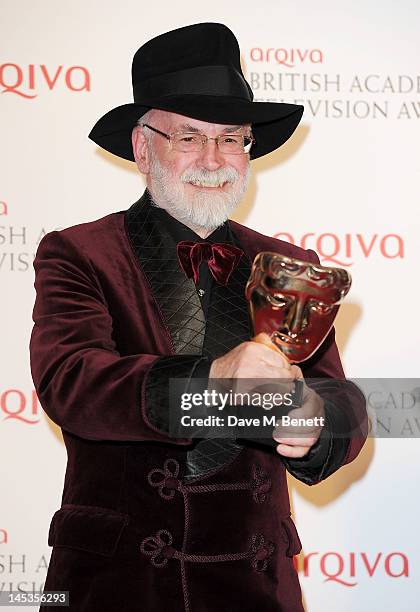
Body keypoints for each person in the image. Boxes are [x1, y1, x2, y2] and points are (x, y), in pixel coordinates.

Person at [30, 22, 367, 612]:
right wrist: (215, 380)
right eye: (189, 137)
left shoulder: (290, 266)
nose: (215, 159)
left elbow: (341, 398)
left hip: (257, 583)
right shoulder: (79, 252)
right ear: (142, 147)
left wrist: (314, 423)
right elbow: (73, 382)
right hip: (115, 584)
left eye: (232, 139)